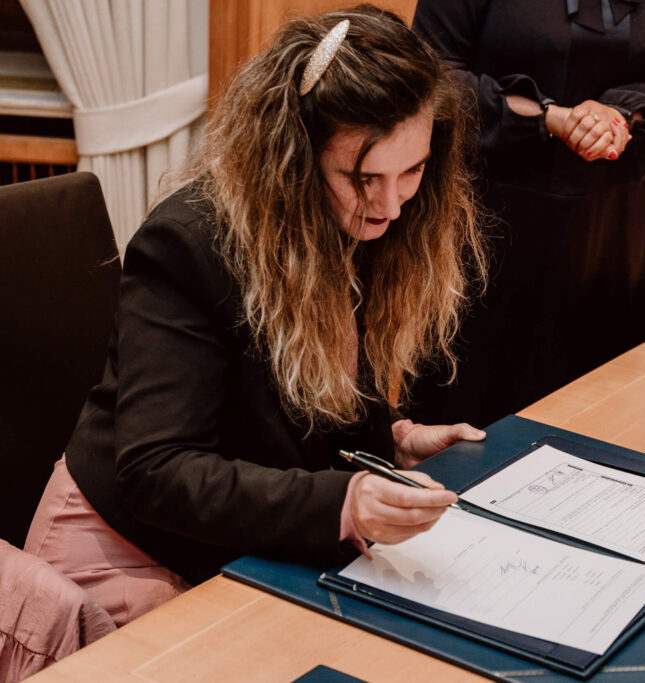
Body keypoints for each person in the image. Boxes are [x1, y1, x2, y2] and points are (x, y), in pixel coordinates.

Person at [23, 6, 488, 626]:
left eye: (413, 171)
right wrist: (342, 503)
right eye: (363, 176)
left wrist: (392, 444)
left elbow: (296, 394)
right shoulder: (188, 242)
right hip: (123, 557)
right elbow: (157, 470)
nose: (391, 205)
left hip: (231, 546)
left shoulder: (354, 217)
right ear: (295, 159)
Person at [409, 0, 645, 427]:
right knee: (471, 396)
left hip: (611, 220)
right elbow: (433, 72)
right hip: (487, 214)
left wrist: (617, 114)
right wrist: (550, 118)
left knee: (599, 399)